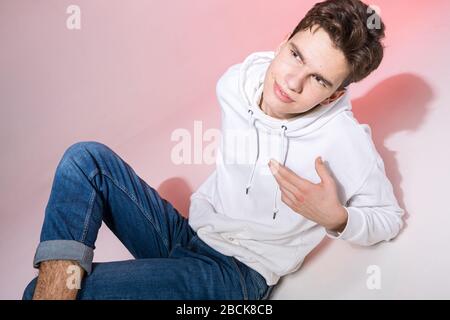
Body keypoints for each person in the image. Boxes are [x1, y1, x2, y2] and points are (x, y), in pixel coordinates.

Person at [23, 0, 404, 300]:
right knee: (84, 159)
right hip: (187, 236)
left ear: (334, 94)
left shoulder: (343, 137)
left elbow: (389, 217)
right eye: (296, 55)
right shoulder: (239, 81)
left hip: (234, 276)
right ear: (284, 42)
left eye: (318, 79)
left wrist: (335, 217)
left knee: (39, 293)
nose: (291, 81)